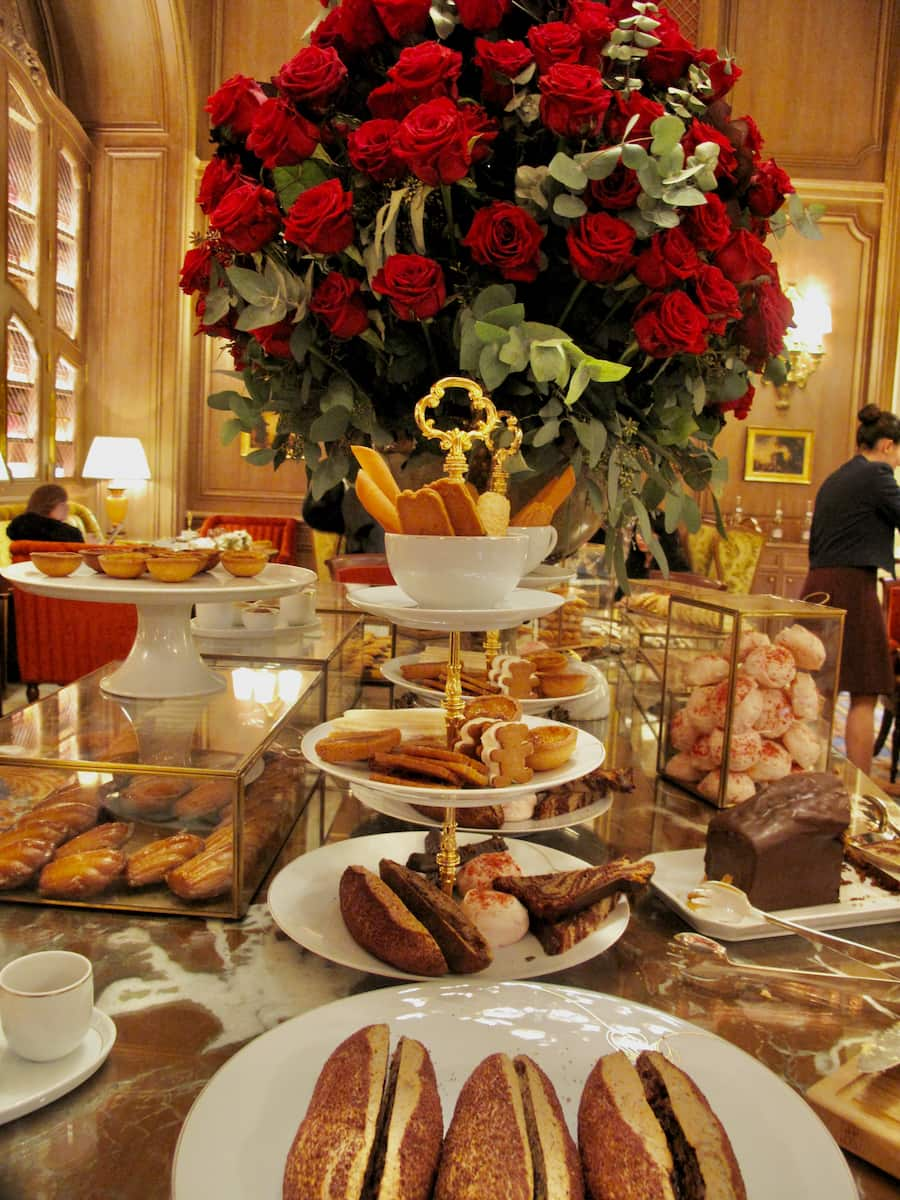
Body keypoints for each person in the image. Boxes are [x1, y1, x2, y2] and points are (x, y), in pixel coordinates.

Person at [802, 404, 900, 774]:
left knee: (821, 689)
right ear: (888, 445)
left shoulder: (838, 476)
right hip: (851, 587)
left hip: (819, 583)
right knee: (864, 690)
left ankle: (813, 777)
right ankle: (860, 790)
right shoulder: (878, 473)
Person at [6, 484, 84, 543]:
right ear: (48, 505)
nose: (67, 507)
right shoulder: (70, 536)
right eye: (62, 503)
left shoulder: (18, 529)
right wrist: (89, 547)